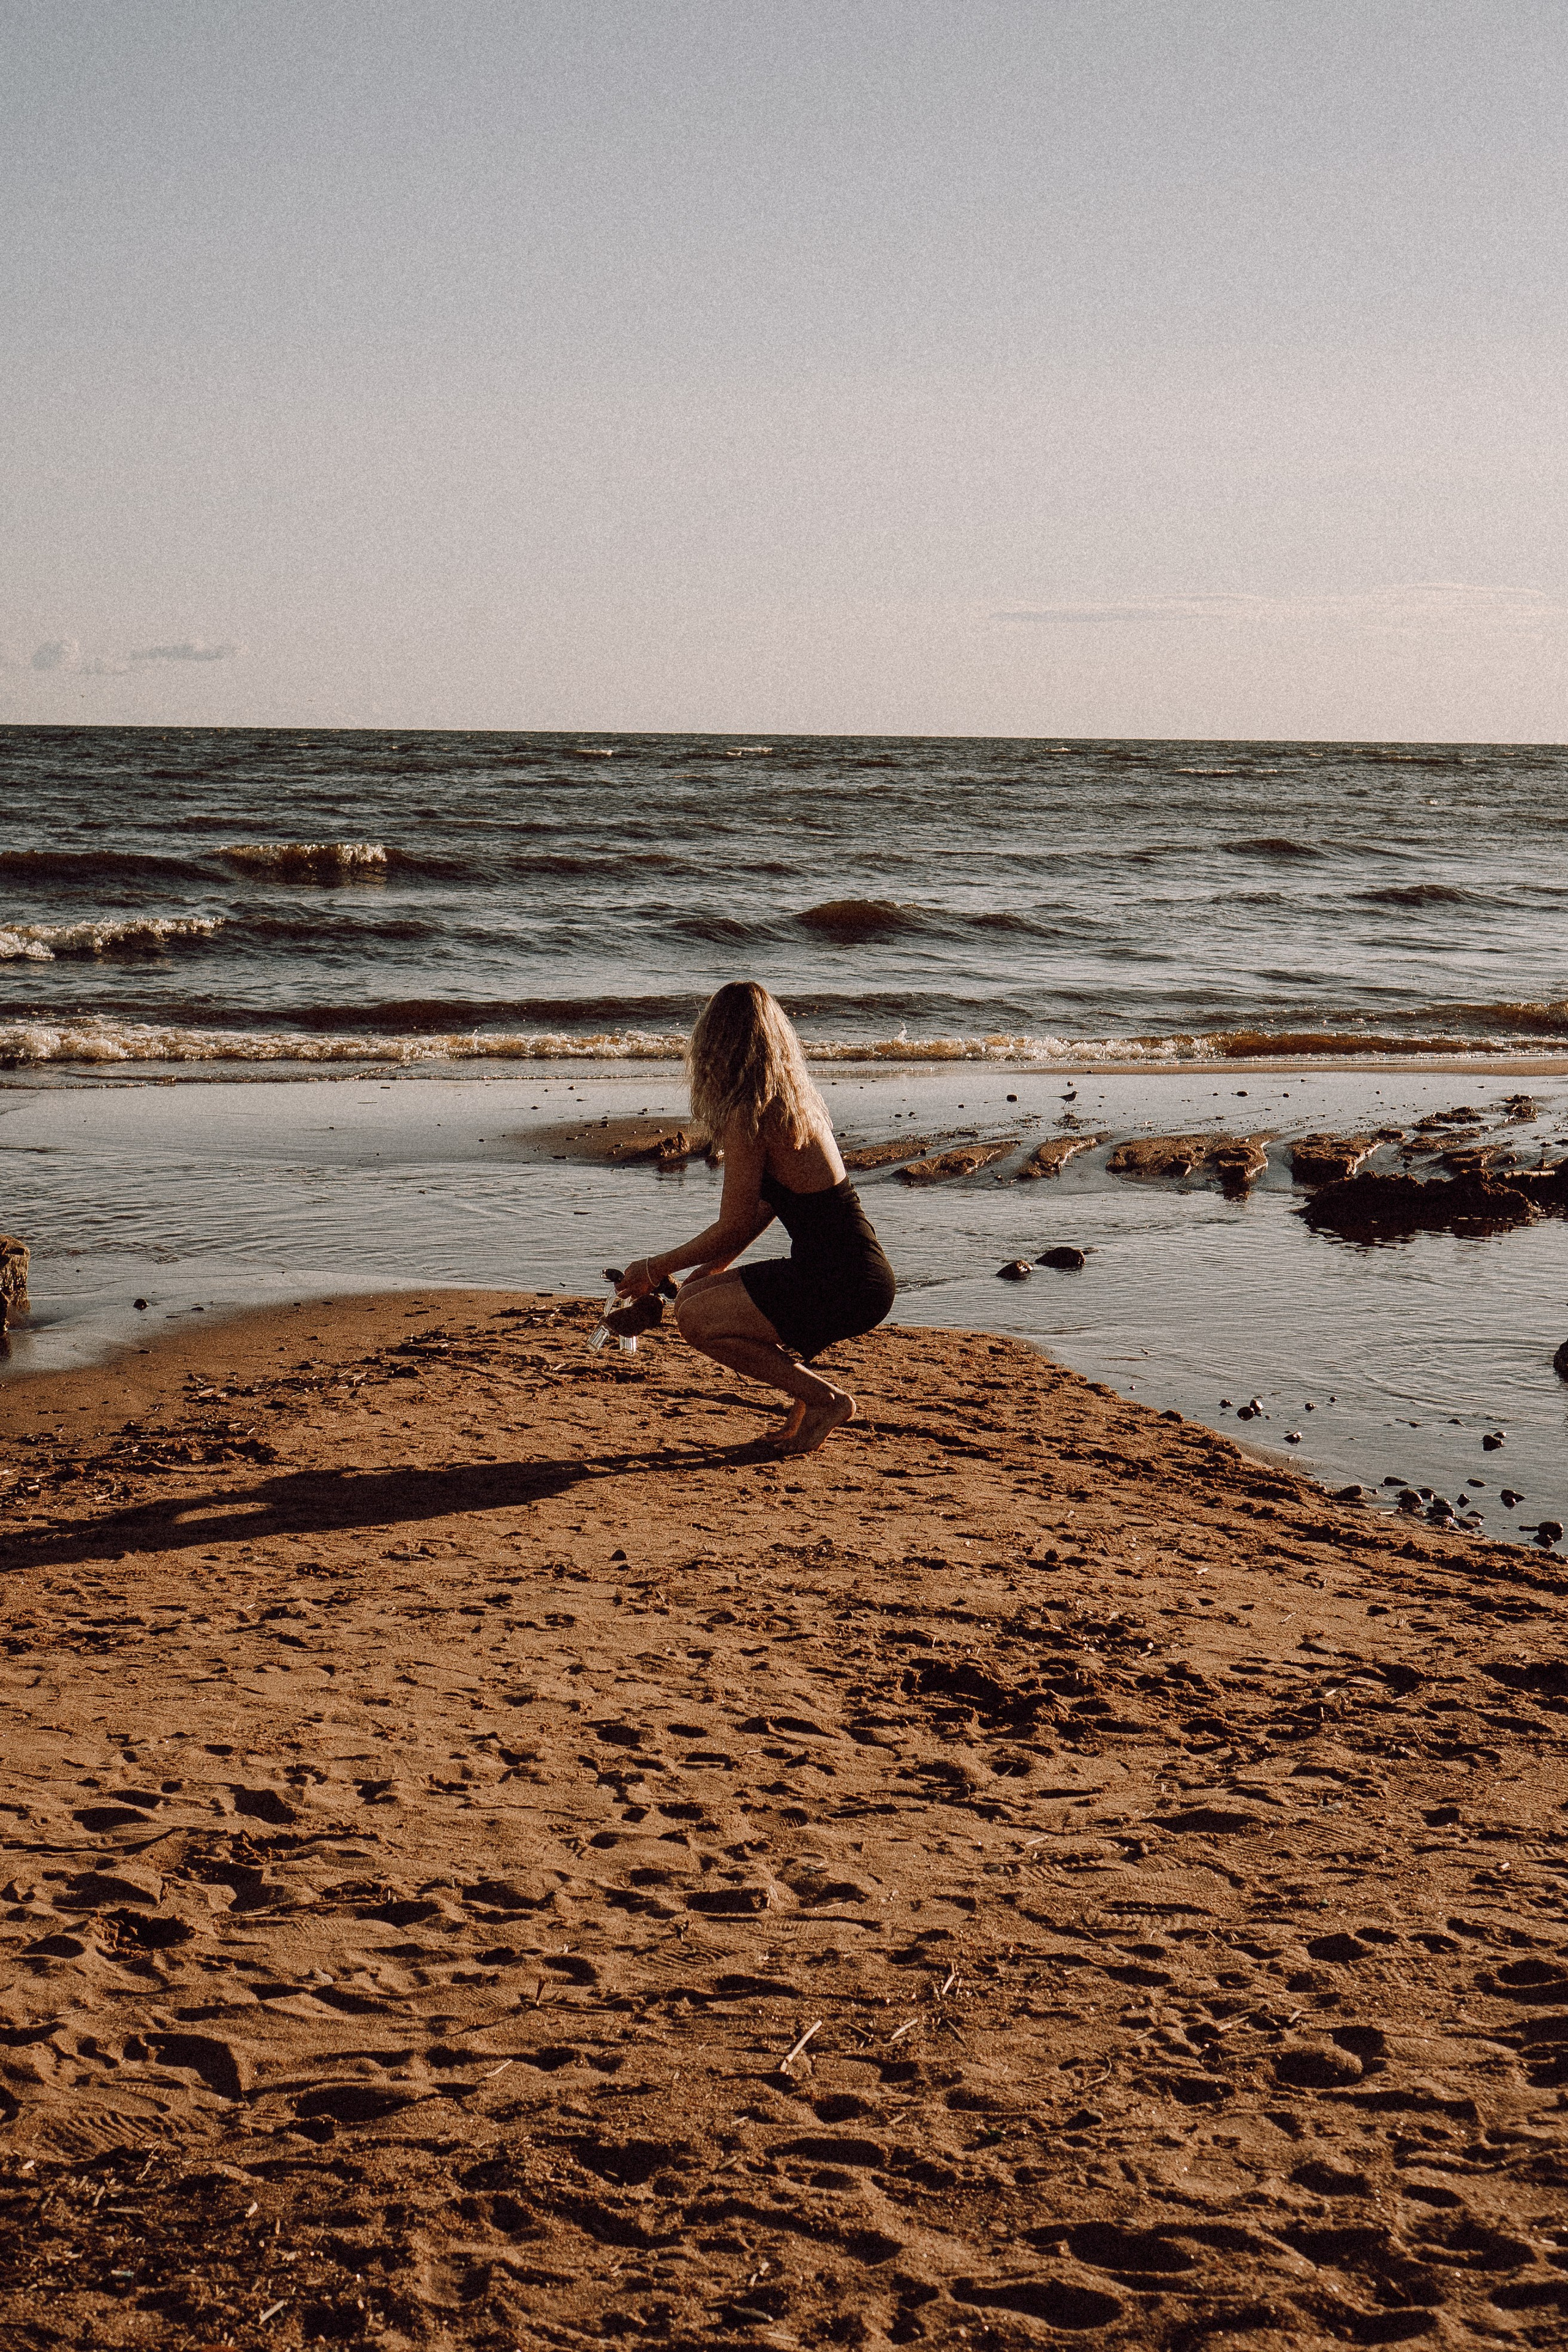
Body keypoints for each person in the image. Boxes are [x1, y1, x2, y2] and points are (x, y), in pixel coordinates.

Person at [612, 981, 897, 1455]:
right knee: (696, 1296)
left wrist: (653, 1268)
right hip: (854, 1274)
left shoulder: (750, 1116)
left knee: (697, 1320)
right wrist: (712, 1269)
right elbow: (766, 1206)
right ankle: (810, 1396)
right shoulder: (792, 1104)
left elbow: (734, 1224)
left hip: (843, 1283)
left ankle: (823, 1399)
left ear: (713, 1044)